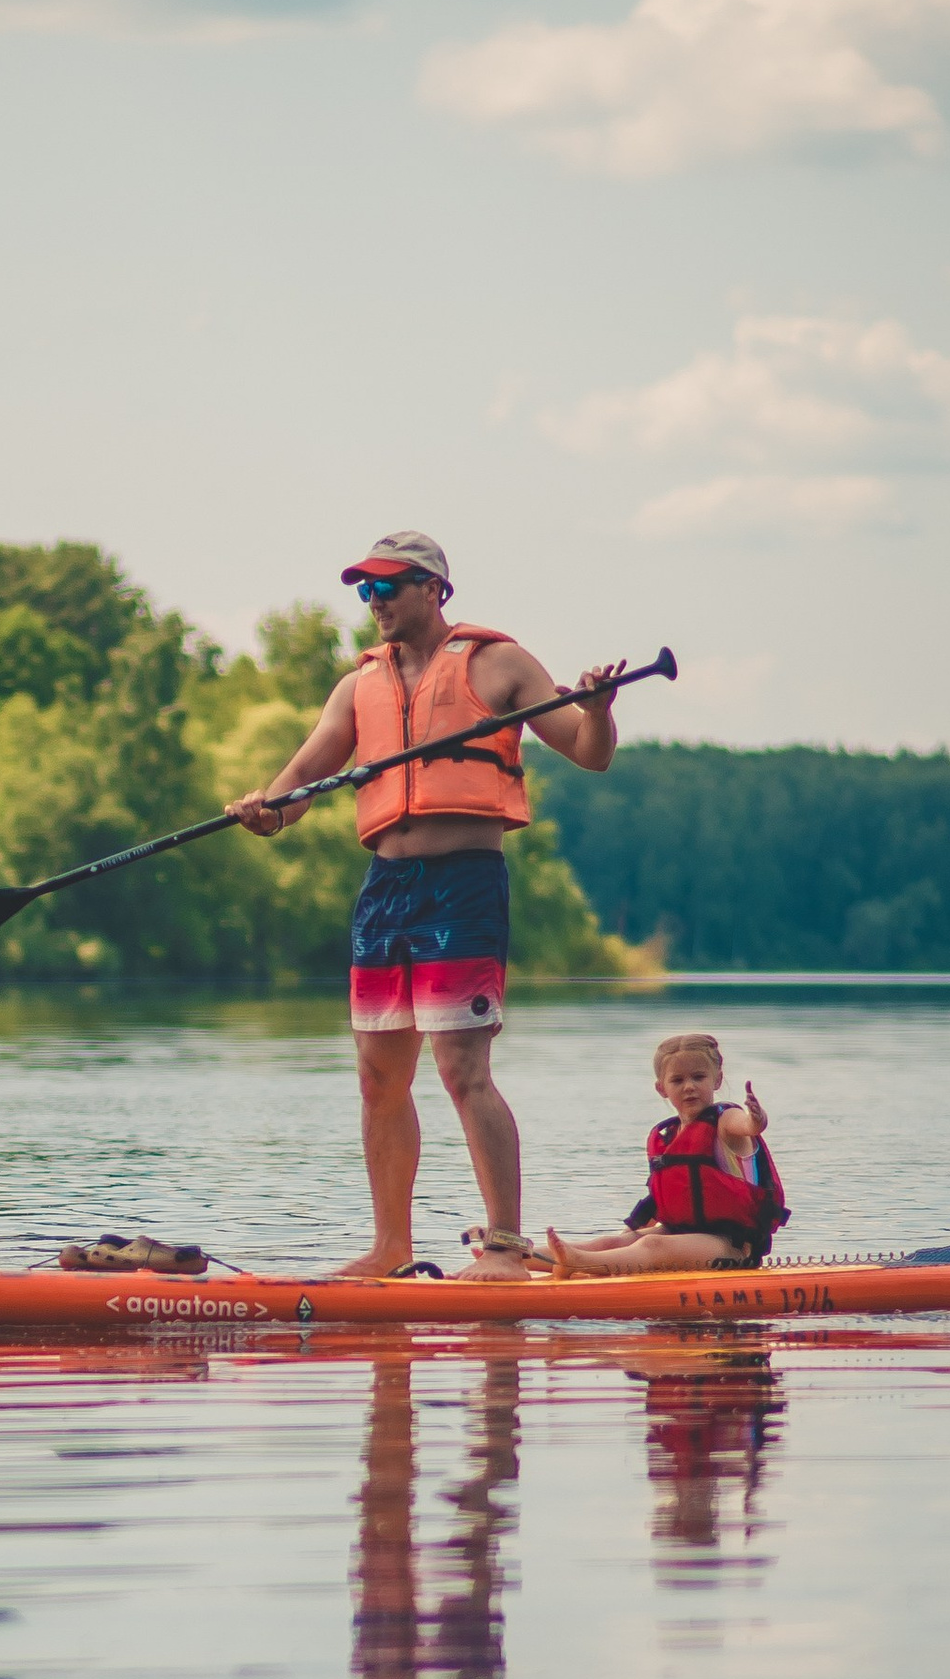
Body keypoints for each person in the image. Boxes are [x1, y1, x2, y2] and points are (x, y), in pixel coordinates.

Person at [229, 529, 622, 1277]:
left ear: (435, 588)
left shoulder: (497, 663)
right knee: (379, 1078)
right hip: (385, 892)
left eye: (388, 585)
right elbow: (298, 786)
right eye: (364, 589)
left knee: (462, 1068)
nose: (373, 600)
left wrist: (598, 708)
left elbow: (589, 751)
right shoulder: (358, 685)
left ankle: (504, 1248)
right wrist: (264, 810)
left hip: (463, 883)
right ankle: (390, 1248)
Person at [547, 1036, 785, 1277]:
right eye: (678, 1080)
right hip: (680, 1235)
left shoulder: (726, 1121)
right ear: (662, 1088)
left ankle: (580, 1263)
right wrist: (623, 1244)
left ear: (717, 1080)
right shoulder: (669, 1137)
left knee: (652, 1245)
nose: (689, 1086)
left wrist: (757, 1117)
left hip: (731, 1246)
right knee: (612, 1243)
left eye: (698, 1077)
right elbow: (659, 1202)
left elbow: (749, 1126)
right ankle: (520, 1256)